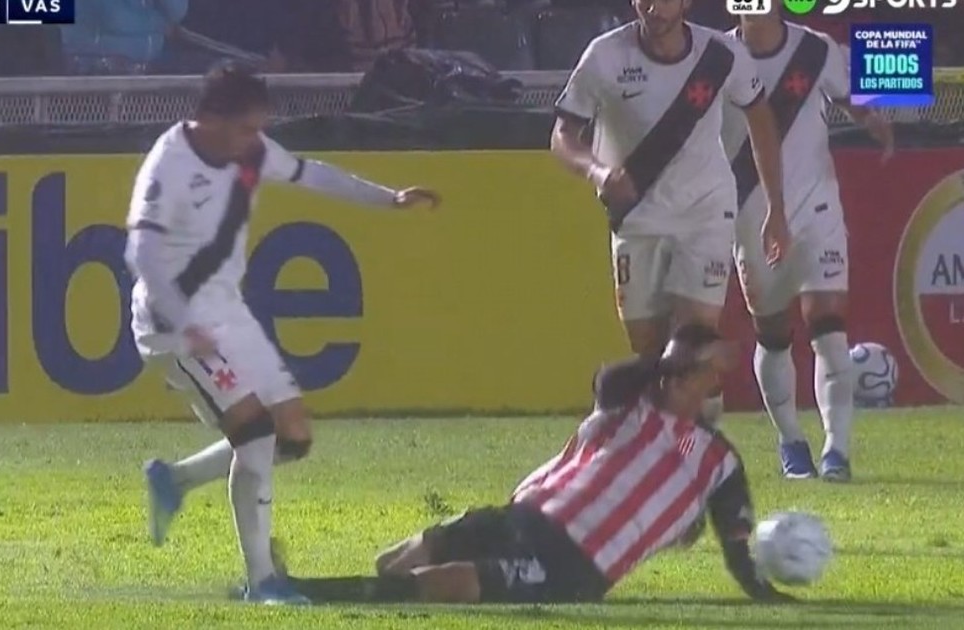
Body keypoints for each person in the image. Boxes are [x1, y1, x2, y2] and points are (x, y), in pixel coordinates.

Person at [124, 62, 440, 604]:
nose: (256, 139)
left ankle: (174, 481)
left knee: (292, 436)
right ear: (213, 118)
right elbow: (143, 253)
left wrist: (387, 198)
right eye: (247, 127)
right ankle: (263, 581)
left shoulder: (249, 151)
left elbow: (312, 173)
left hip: (229, 312)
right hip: (174, 324)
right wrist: (184, 321)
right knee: (253, 432)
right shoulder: (168, 164)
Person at [287, 324, 796, 605]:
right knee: (400, 560)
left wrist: (769, 594)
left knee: (455, 581)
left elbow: (737, 550)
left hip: (576, 561)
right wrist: (673, 360)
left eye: (692, 370)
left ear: (711, 380)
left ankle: (308, 594)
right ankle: (343, 594)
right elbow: (611, 376)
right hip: (524, 515)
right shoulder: (626, 400)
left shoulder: (718, 460)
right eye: (671, 368)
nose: (674, 379)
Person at [550, 0, 788, 428]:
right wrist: (598, 172)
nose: (653, 8)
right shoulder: (605, 56)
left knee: (691, 344)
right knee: (649, 350)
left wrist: (776, 206)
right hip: (637, 216)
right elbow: (563, 134)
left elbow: (760, 116)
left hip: (705, 210)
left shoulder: (721, 56)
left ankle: (701, 443)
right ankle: (678, 425)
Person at [724, 9, 893, 481]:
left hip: (817, 206)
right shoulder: (716, 56)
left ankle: (837, 450)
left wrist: (871, 116)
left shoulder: (815, 49)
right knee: (774, 332)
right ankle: (791, 441)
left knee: (828, 324)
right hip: (751, 213)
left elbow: (848, 95)